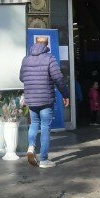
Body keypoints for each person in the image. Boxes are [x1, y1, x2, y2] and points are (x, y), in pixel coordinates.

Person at [19, 38, 69, 168]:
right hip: (46, 99)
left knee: (34, 123)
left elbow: (22, 78)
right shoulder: (49, 58)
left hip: (31, 98)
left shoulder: (26, 59)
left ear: (35, 43)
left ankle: (31, 147)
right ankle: (44, 160)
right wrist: (65, 94)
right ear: (47, 45)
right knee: (45, 127)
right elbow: (58, 79)